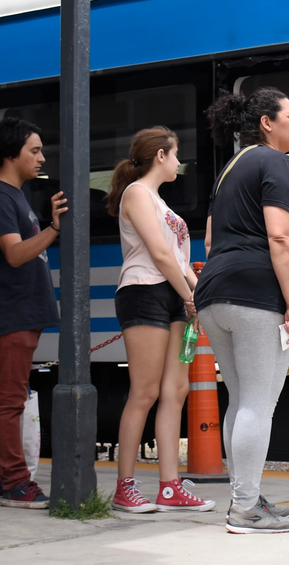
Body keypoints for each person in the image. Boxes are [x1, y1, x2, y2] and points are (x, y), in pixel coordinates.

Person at [196, 87, 289, 534]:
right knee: (259, 403)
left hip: (214, 294)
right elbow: (281, 236)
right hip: (256, 294)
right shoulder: (276, 163)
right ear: (267, 122)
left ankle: (247, 496)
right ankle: (244, 508)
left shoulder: (228, 171)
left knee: (241, 401)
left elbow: (207, 241)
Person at [105, 127, 215, 513]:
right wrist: (192, 298)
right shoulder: (137, 193)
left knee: (176, 391)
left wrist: (197, 296)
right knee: (146, 391)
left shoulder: (160, 203)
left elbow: (181, 263)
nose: (180, 162)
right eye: (176, 154)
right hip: (144, 293)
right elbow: (161, 255)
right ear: (160, 156)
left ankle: (170, 487)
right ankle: (125, 487)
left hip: (172, 297)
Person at [0, 118, 64, 510]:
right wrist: (53, 230)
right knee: (9, 402)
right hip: (10, 311)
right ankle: (15, 482)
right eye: (35, 150)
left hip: (19, 311)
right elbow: (14, 254)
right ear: (11, 153)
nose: (41, 158)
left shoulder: (14, 195)